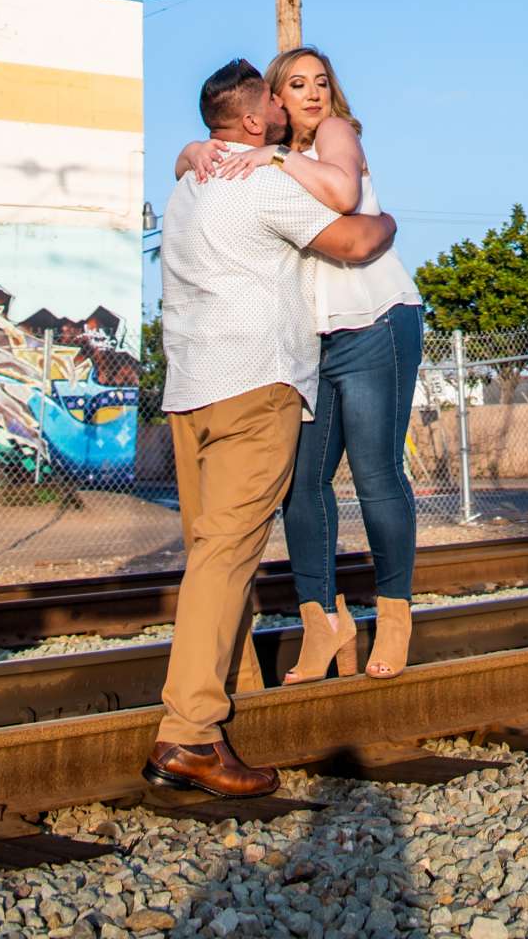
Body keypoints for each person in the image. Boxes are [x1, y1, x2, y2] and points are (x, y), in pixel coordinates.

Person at [143, 56, 397, 802]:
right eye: (274, 105)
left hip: (190, 391)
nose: (287, 112)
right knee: (227, 558)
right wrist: (387, 220)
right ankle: (187, 734)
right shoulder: (261, 182)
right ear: (253, 120)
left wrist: (194, 148)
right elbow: (352, 241)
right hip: (255, 386)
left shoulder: (188, 187)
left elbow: (198, 157)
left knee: (208, 557)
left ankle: (207, 719)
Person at [176, 45, 423, 682]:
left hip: (373, 319)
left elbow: (344, 196)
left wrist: (277, 155)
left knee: (374, 475)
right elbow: (202, 153)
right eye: (294, 84)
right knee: (300, 488)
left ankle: (394, 616)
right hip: (312, 342)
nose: (312, 94)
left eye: (321, 82)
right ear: (272, 103)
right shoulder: (256, 159)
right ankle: (324, 623)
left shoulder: (333, 134)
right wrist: (196, 151)